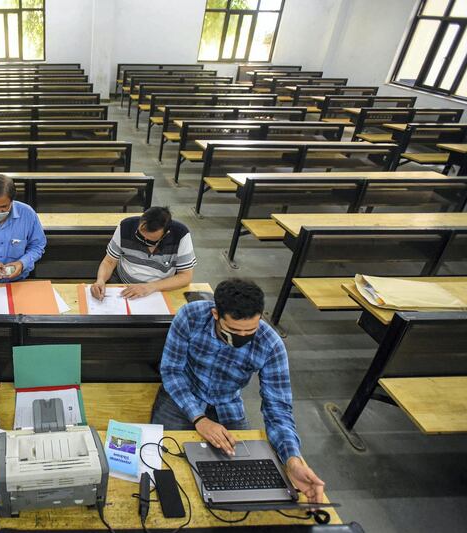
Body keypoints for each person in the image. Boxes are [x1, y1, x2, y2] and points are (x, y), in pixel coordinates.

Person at [151, 279, 326, 503]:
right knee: (160, 461)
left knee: (243, 472)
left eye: (250, 331)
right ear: (216, 314)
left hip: (227, 405)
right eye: (233, 330)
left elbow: (278, 410)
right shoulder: (190, 317)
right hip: (183, 395)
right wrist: (199, 418)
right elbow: (172, 371)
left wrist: (292, 459)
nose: (242, 337)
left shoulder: (271, 344)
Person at [90, 206, 196, 300]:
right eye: (140, 236)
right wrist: (100, 280)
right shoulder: (126, 226)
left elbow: (185, 276)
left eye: (150, 241)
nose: (143, 242)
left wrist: (150, 287)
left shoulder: (181, 234)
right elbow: (109, 261)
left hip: (160, 289)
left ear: (165, 234)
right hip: (123, 284)